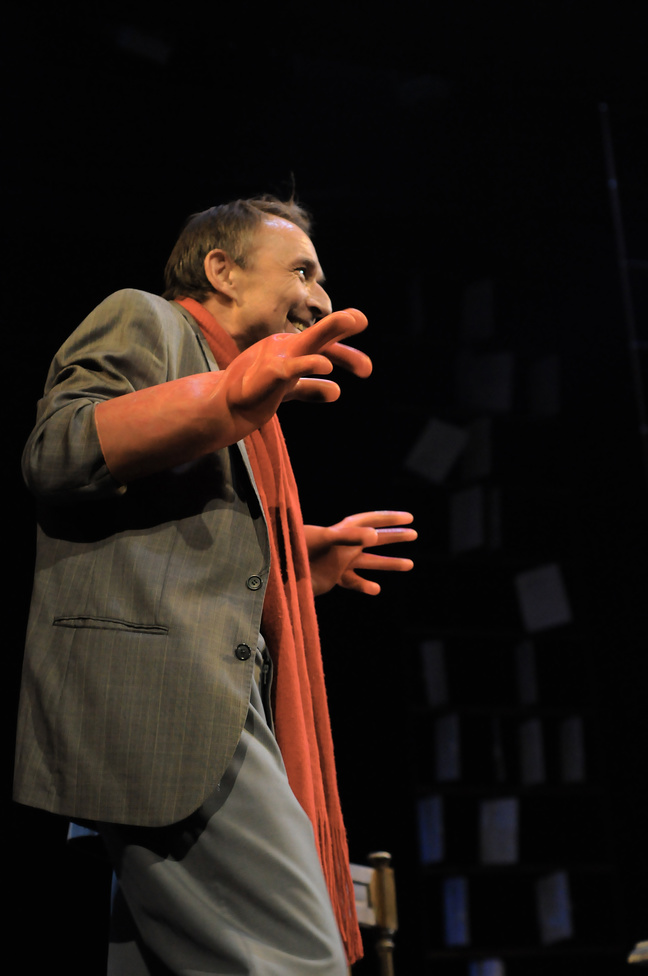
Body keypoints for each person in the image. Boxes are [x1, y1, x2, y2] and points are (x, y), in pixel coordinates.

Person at [14, 195, 416, 975]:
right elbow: (57, 452)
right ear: (221, 270)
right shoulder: (146, 320)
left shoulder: (244, 391)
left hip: (195, 706)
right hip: (171, 705)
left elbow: (172, 526)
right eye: (302, 271)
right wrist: (223, 398)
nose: (321, 298)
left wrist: (289, 559)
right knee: (297, 962)